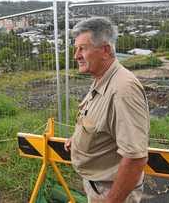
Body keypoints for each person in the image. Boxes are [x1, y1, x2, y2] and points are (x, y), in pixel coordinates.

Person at [64, 17, 150, 203]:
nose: (76, 55)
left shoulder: (123, 89)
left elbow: (135, 158)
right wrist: (80, 139)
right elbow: (101, 121)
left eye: (82, 49)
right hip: (99, 186)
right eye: (76, 48)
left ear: (105, 50)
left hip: (111, 191)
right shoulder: (103, 78)